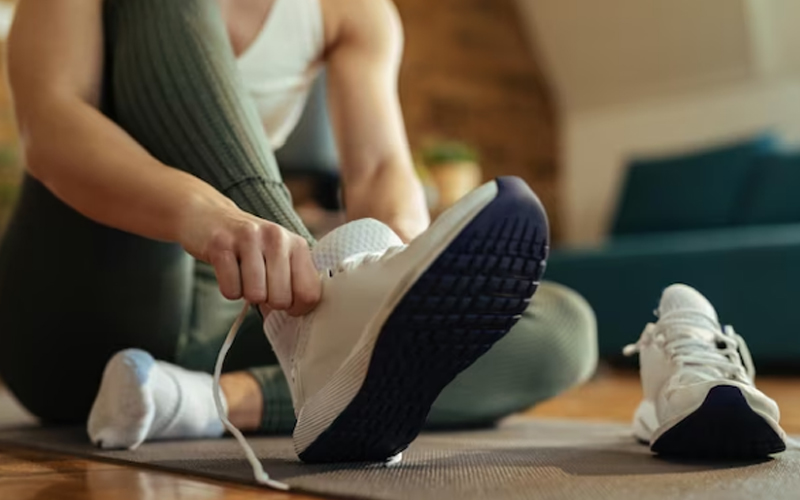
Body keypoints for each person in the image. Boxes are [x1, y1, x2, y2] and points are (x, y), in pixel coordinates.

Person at [0, 0, 597, 463]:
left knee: (563, 326)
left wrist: (403, 274)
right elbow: (49, 125)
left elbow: (379, 170)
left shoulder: (354, 11)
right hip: (81, 311)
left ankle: (210, 400)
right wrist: (212, 216)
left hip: (240, 306)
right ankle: (314, 329)